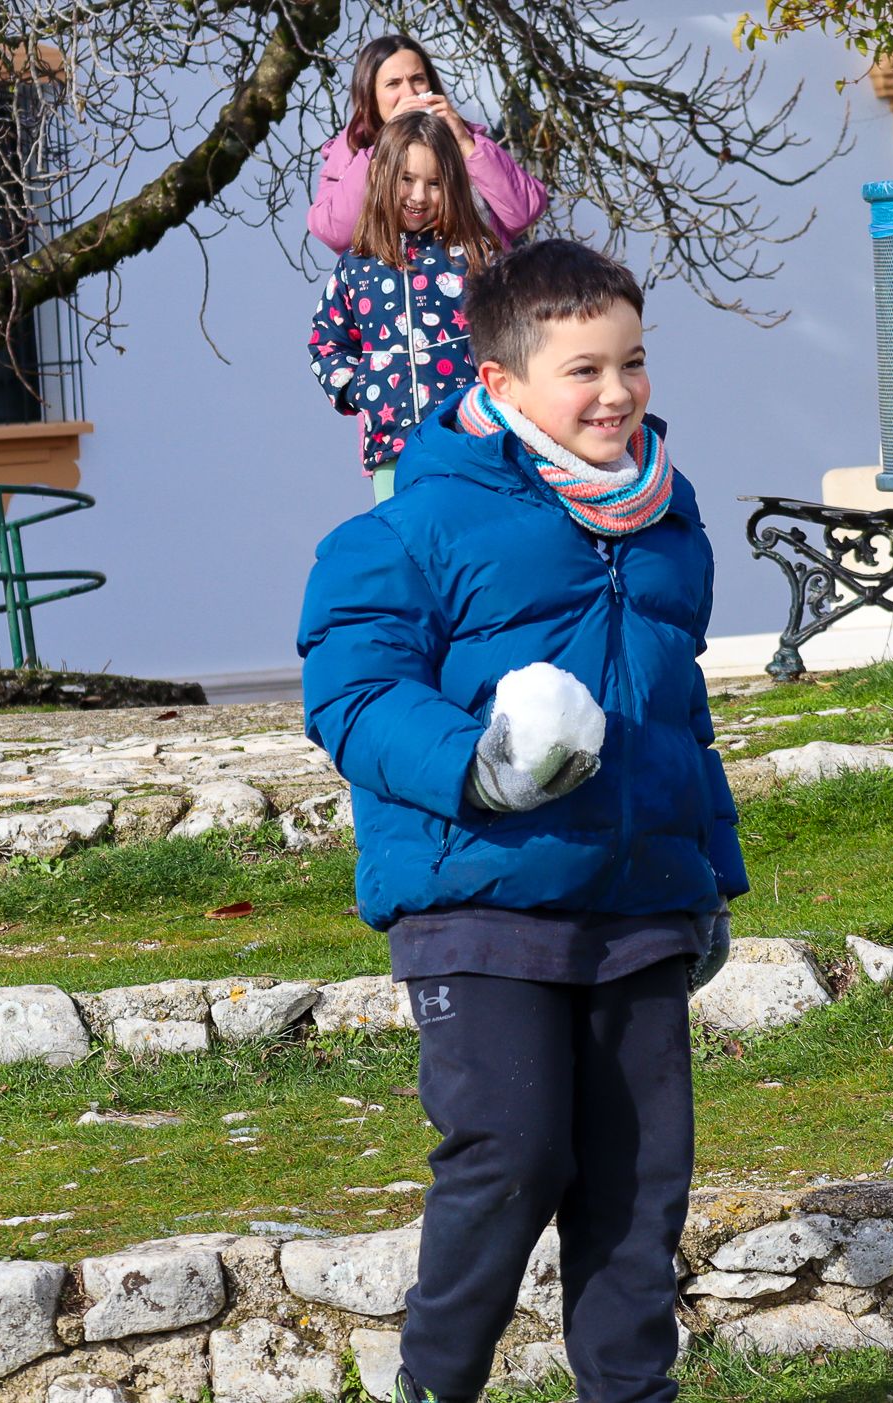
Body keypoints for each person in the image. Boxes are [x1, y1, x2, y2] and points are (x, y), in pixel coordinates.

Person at [298, 239, 747, 1403]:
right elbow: (351, 693)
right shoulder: (411, 525)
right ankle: (434, 1385)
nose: (617, 392)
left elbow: (674, 711)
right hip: (478, 895)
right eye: (583, 370)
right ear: (498, 386)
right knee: (512, 1153)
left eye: (632, 361)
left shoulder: (664, 514)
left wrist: (709, 876)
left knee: (640, 1184)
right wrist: (477, 769)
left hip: (639, 899)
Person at [307, 111, 505, 502]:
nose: (418, 196)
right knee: (405, 546)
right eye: (407, 179)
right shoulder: (356, 265)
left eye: (434, 183)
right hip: (390, 448)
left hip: (469, 437)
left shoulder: (476, 258)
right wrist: (355, 387)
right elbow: (326, 340)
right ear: (382, 175)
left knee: (468, 538)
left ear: (453, 184)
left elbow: (514, 334)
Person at [307, 34, 549, 255]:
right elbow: (335, 234)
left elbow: (523, 212)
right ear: (370, 95)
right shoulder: (350, 152)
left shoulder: (467, 142)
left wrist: (464, 141)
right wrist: (387, 144)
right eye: (393, 83)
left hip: (476, 294)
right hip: (390, 296)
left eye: (417, 79)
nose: (409, 92)